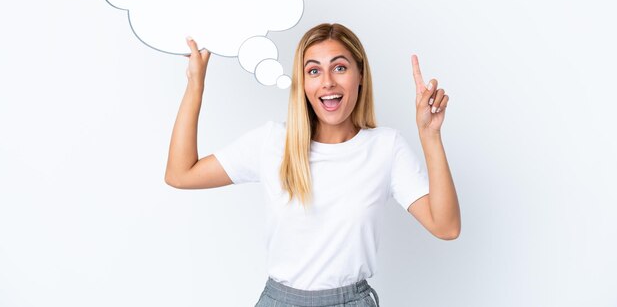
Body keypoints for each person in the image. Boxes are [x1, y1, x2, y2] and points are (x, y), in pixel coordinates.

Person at [164, 23, 461, 307]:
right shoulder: (272, 142)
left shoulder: (386, 147)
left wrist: (430, 135)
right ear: (303, 82)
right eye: (314, 71)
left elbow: (446, 227)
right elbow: (181, 174)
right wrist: (195, 85)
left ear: (360, 75)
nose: (327, 81)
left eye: (340, 67)